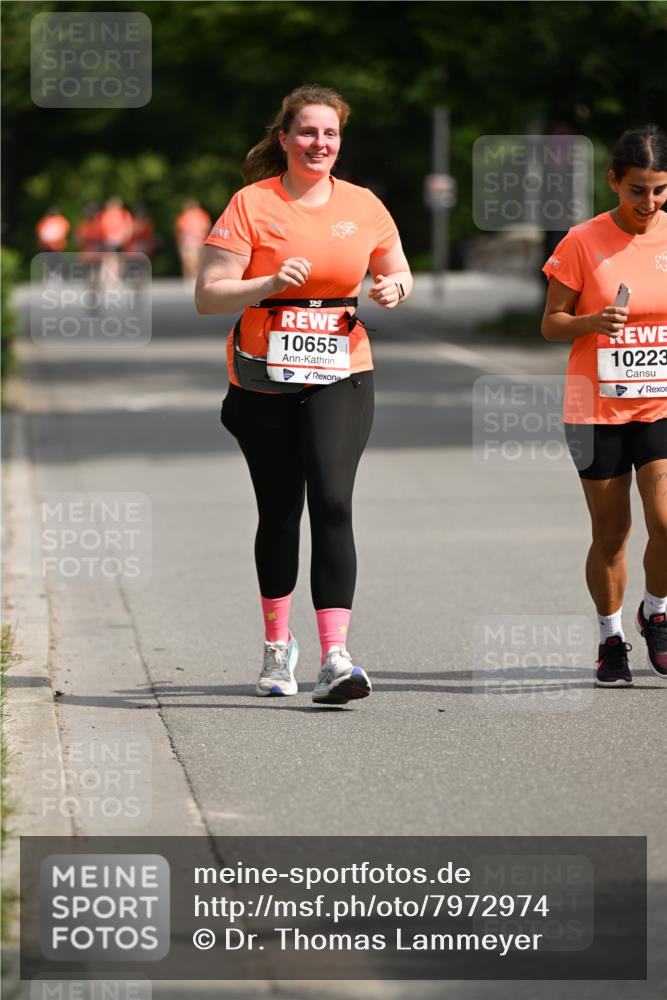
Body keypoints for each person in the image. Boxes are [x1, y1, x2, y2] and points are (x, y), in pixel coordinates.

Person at [195, 84, 412, 704]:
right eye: (309, 132)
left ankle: (336, 657)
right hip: (262, 374)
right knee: (280, 508)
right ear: (285, 138)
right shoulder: (251, 204)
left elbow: (395, 267)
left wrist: (396, 288)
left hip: (343, 366)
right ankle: (276, 647)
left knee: (334, 499)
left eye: (332, 134)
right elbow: (208, 295)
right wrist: (265, 281)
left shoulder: (364, 204)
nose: (321, 144)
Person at [541, 123, 667, 687]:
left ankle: (657, 613)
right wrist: (592, 322)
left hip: (659, 403)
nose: (650, 202)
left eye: (660, 190)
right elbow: (551, 323)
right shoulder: (582, 241)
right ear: (614, 181)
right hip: (595, 407)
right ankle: (610, 636)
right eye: (638, 189)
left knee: (666, 521)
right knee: (612, 532)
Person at [175, 199, 211, 281]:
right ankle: (191, 278)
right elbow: (207, 228)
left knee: (190, 261)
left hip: (191, 242)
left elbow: (180, 231)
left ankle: (190, 278)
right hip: (196, 241)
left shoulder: (186, 216)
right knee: (193, 261)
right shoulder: (201, 215)